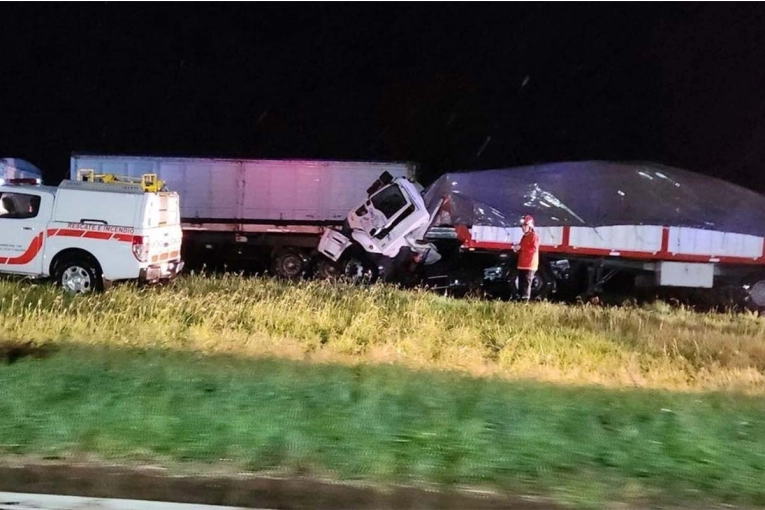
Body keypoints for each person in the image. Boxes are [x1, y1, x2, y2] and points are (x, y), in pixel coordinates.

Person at [513, 214, 541, 301]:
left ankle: (525, 301)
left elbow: (534, 249)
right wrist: (517, 249)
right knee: (521, 283)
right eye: (522, 226)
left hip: (529, 264)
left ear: (530, 226)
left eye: (525, 225)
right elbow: (523, 248)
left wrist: (521, 248)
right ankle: (521, 299)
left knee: (526, 283)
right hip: (522, 263)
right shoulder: (525, 236)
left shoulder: (534, 236)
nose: (523, 228)